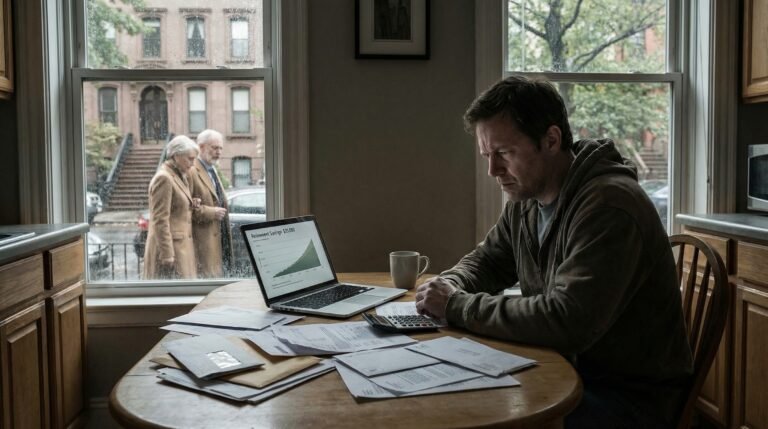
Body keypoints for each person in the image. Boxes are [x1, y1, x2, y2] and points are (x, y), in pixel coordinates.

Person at [414, 75, 693, 428]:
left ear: (551, 140)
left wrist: (455, 305)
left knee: (479, 413)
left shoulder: (609, 207)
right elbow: (489, 259)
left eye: (504, 153)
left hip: (627, 397)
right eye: (487, 155)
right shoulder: (526, 198)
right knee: (452, 399)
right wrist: (446, 285)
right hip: (566, 367)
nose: (492, 170)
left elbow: (567, 319)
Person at [143, 136, 200, 280]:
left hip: (180, 249)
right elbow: (160, 219)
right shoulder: (164, 178)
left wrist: (190, 203)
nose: (192, 164)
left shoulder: (179, 175)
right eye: (190, 159)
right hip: (171, 253)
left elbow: (175, 205)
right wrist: (167, 254)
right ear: (176, 156)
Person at [189, 129, 233, 278]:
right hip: (204, 244)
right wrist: (211, 212)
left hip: (220, 240)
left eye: (220, 148)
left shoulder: (212, 169)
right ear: (201, 147)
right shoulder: (191, 171)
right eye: (214, 148)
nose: (219, 152)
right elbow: (186, 208)